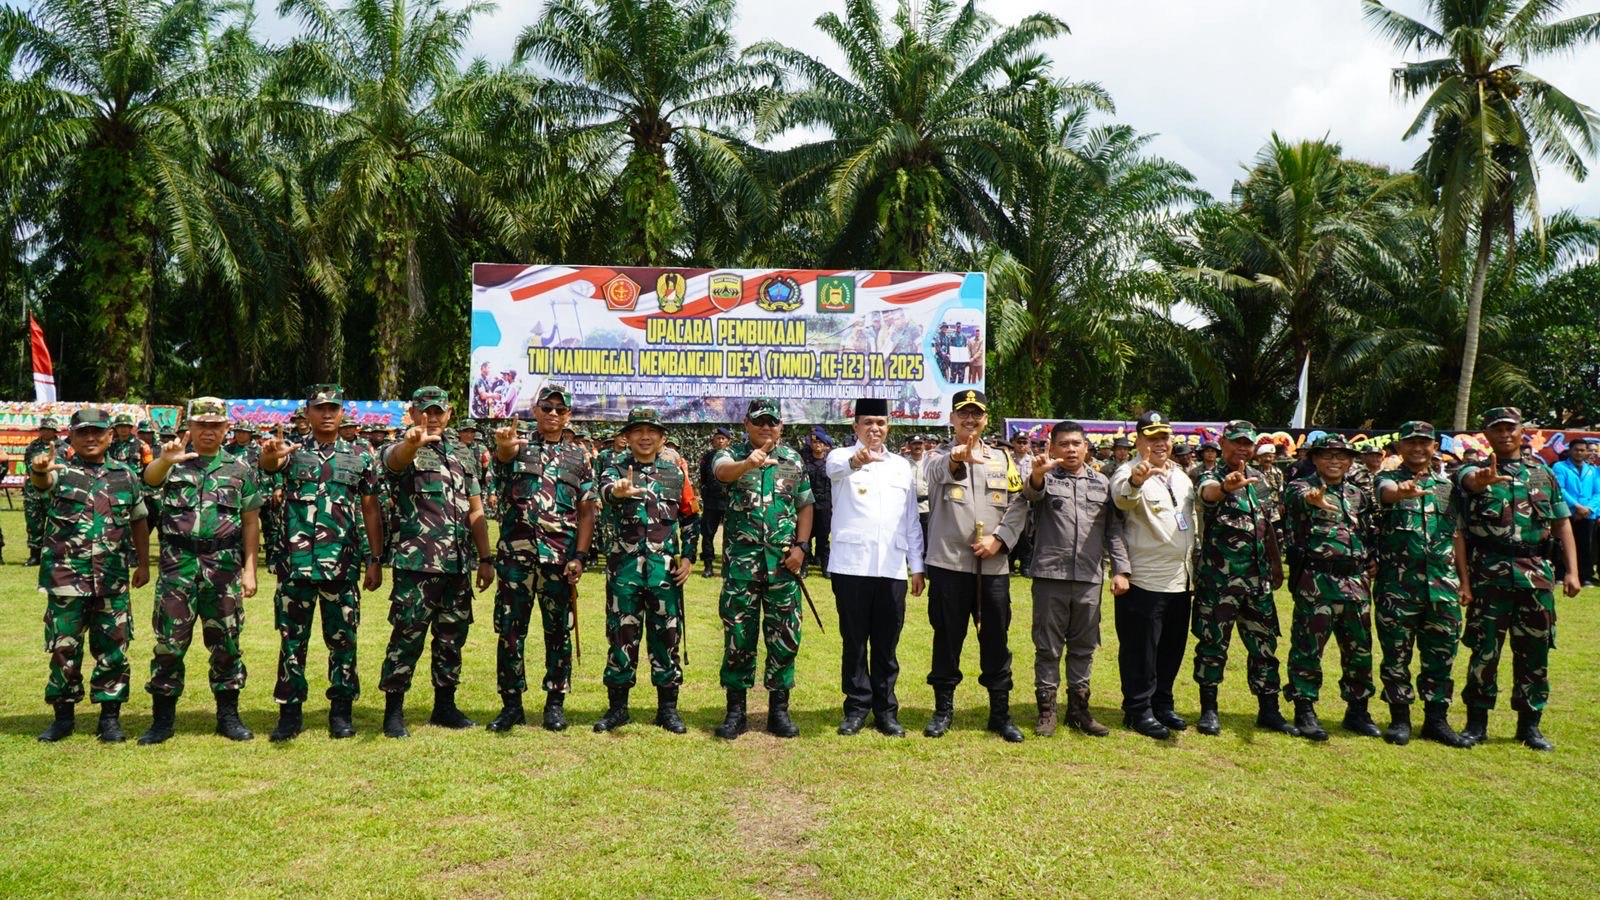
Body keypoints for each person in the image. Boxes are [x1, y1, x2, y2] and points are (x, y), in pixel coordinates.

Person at [255, 385, 385, 742]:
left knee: (343, 640)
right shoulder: (291, 452)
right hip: (295, 564)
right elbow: (268, 466)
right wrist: (270, 456)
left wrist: (375, 559)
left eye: (333, 407)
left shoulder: (361, 455)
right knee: (291, 640)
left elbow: (371, 508)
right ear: (308, 413)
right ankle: (290, 711)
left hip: (341, 565)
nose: (327, 414)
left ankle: (341, 711)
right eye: (319, 408)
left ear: (342, 412)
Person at [138, 398, 263, 744]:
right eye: (201, 425)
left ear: (226, 429)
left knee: (226, 642)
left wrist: (250, 569)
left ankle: (228, 717)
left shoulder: (240, 470)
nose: (208, 431)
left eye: (215, 426)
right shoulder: (173, 465)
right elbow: (149, 481)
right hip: (178, 565)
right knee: (169, 644)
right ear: (189, 428)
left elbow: (251, 522)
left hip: (222, 567)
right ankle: (162, 721)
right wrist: (165, 459)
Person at [1456, 407, 1581, 751]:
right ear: (1487, 434)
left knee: (1534, 652)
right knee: (1484, 651)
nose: (1505, 434)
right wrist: (1480, 481)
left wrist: (1572, 570)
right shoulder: (1472, 471)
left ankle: (1530, 726)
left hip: (1535, 575)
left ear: (1521, 431)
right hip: (1489, 575)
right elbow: (1467, 487)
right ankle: (1476, 724)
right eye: (1497, 429)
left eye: (1510, 428)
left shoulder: (1543, 475)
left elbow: (1561, 523)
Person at [377, 386, 495, 738]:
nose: (432, 417)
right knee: (407, 637)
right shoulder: (403, 448)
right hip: (418, 565)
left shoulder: (463, 453)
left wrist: (485, 558)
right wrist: (412, 444)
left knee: (451, 638)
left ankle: (445, 706)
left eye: (438, 411)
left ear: (448, 412)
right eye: (425, 410)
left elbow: (476, 510)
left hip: (457, 565)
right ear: (413, 412)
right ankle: (393, 712)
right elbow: (393, 461)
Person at [31, 408, 151, 743]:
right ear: (70, 436)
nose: (91, 438)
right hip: (66, 577)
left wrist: (143, 563)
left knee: (113, 648)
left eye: (98, 432)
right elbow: (43, 481)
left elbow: (139, 520)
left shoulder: (126, 475)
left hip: (111, 577)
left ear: (110, 436)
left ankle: (109, 718)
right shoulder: (61, 471)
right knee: (63, 647)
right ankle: (63, 717)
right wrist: (39, 471)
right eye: (83, 432)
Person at [488, 385, 596, 733]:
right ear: (535, 410)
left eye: (560, 410)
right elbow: (502, 459)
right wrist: (505, 447)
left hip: (558, 560)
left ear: (568, 416)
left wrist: (580, 555)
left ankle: (555, 703)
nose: (553, 414)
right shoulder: (518, 447)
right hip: (516, 559)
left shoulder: (580, 457)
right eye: (546, 407)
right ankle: (511, 705)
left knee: (557, 634)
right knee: (510, 633)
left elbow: (586, 511)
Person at [923, 390, 1028, 742]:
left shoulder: (1003, 459)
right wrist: (957, 457)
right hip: (948, 565)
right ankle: (942, 710)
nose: (970, 420)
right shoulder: (936, 457)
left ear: (985, 419)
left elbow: (1018, 504)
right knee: (947, 639)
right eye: (963, 414)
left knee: (996, 639)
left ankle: (1000, 712)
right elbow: (938, 474)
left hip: (993, 567)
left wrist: (999, 540)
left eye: (976, 414)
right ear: (951, 418)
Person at [710, 397, 814, 740]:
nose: (766, 427)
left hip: (783, 566)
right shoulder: (730, 455)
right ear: (747, 425)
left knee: (784, 636)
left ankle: (778, 711)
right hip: (742, 567)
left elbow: (805, 505)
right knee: (739, 637)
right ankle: (735, 712)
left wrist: (801, 547)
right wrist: (748, 464)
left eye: (772, 421)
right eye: (759, 421)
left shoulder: (793, 460)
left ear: (781, 425)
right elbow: (722, 474)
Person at [1191, 420, 1298, 737]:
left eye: (1247, 443)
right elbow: (1207, 495)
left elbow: (1268, 526)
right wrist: (1225, 487)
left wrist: (1277, 563)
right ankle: (1209, 711)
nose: (1242, 448)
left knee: (1264, 648)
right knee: (1212, 647)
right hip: (1220, 583)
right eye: (1236, 442)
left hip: (1257, 582)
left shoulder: (1261, 481)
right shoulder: (1211, 475)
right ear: (1223, 444)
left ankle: (1269, 710)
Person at [825, 399, 925, 737]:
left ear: (889, 427)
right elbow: (836, 470)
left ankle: (886, 710)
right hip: (851, 565)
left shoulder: (901, 467)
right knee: (854, 641)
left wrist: (918, 566)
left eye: (881, 422)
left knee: (886, 643)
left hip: (892, 567)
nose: (874, 429)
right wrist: (857, 459)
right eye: (867, 422)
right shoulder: (840, 456)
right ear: (855, 427)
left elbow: (911, 519)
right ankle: (855, 708)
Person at [1022, 420, 1128, 738]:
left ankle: (1079, 709)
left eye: (1076, 444)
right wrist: (1038, 473)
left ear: (1086, 447)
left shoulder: (1102, 483)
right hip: (1050, 575)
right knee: (1048, 647)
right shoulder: (1045, 478)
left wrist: (1121, 570)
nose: (1070, 449)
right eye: (1064, 444)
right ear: (1052, 448)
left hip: (1089, 577)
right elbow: (1030, 493)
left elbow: (1113, 531)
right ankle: (1047, 710)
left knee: (1084, 646)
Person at [595, 407, 697, 733]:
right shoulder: (614, 467)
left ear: (661, 438)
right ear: (627, 436)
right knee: (621, 636)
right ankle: (618, 709)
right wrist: (617, 491)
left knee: (666, 638)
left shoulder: (675, 473)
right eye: (638, 431)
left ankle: (667, 710)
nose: (645, 437)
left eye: (651, 431)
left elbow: (691, 517)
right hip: (624, 571)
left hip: (663, 573)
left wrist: (688, 558)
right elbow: (605, 492)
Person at [1372, 420, 1472, 748]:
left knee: (1441, 655)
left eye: (1424, 443)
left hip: (1442, 588)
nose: (1418, 448)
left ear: (1434, 448)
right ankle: (1400, 719)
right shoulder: (1385, 480)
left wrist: (1464, 582)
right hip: (1398, 588)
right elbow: (1385, 495)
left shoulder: (1448, 488)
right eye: (1411, 443)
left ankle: (1436, 720)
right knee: (1396, 655)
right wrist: (1399, 493)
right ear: (1399, 447)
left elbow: (1456, 536)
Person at [1282, 433, 1377, 742]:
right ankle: (1305, 709)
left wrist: (1371, 558)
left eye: (1341, 456)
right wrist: (1312, 500)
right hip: (1317, 583)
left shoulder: (1358, 494)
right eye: (1327, 455)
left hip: (1355, 583)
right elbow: (1296, 500)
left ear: (1350, 461)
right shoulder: (1301, 486)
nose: (1334, 461)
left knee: (1359, 651)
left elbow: (1367, 530)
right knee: (1308, 649)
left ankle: (1357, 710)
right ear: (1315, 459)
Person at [1108, 411, 1194, 739]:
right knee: (1140, 649)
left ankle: (1162, 702)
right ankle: (1138, 709)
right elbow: (1122, 499)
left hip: (1180, 579)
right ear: (1138, 440)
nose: (1160, 443)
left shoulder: (1182, 475)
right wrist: (1136, 481)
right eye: (1152, 437)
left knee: (1172, 646)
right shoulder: (1128, 471)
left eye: (1164, 437)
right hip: (1144, 580)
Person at [1551, 436, 1599, 586]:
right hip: (1567, 512)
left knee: (1586, 546)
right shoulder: (1560, 467)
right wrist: (1576, 506)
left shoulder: (1593, 470)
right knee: (1563, 544)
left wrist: (1589, 508)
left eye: (1583, 450)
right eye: (1576, 450)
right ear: (1570, 451)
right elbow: (1560, 489)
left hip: (1587, 513)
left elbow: (1598, 493)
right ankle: (1560, 574)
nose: (1580, 453)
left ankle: (1586, 576)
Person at [22, 415, 68, 567]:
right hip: (33, 492)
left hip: (55, 492)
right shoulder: (32, 447)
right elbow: (29, 468)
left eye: (50, 430)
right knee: (34, 523)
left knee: (56, 524)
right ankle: (34, 555)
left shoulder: (65, 447)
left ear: (55, 431)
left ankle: (56, 556)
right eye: (44, 430)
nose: (47, 433)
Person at [696, 428, 731, 578]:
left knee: (730, 536)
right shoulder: (708, 457)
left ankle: (727, 566)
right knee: (708, 534)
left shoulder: (733, 456)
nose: (720, 441)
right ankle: (708, 565)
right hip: (712, 502)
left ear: (728, 441)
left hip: (730, 502)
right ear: (713, 440)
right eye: (718, 438)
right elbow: (703, 478)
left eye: (723, 438)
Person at [805, 428, 834, 575]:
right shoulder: (805, 462)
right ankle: (804, 566)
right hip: (808, 502)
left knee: (823, 537)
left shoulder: (830, 463)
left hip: (824, 504)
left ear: (825, 446)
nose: (817, 445)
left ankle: (825, 566)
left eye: (820, 443)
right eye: (814, 442)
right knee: (806, 535)